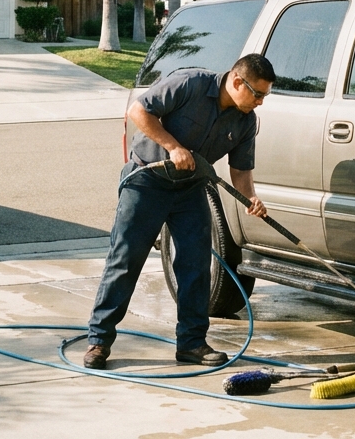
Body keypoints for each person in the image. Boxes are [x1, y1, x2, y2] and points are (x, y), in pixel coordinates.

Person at [83, 53, 274, 370]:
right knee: (125, 260)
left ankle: (192, 344)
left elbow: (240, 170)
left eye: (266, 96)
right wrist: (173, 146)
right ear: (238, 82)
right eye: (258, 94)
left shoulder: (245, 121)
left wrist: (250, 197)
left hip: (189, 189)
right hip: (146, 180)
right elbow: (138, 111)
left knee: (195, 266)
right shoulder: (190, 84)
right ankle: (99, 340)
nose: (261, 103)